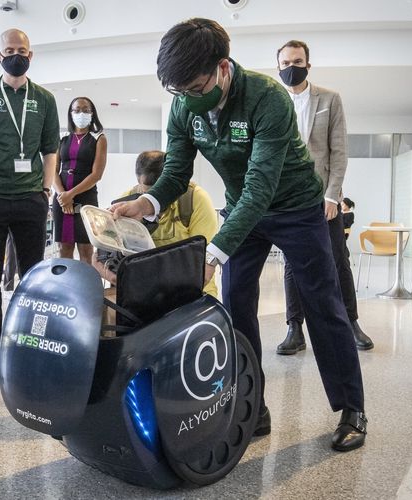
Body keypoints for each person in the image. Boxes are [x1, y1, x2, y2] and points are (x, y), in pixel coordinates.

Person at [113, 18, 367, 452]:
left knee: (323, 303)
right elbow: (176, 172)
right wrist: (147, 203)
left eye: (195, 86)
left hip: (296, 208)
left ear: (223, 67)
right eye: (180, 92)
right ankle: (252, 404)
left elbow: (260, 188)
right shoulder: (183, 106)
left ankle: (351, 409)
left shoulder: (267, 98)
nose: (189, 99)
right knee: (236, 305)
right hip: (244, 209)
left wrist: (214, 252)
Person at [0, 28, 60, 373]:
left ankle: (29, 342)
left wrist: (45, 190)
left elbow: (50, 150)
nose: (15, 54)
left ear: (30, 55)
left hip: (29, 198)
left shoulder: (45, 99)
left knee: (33, 277)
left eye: (21, 49)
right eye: (9, 49)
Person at [276, 40, 373, 354]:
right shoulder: (272, 102)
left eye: (298, 61)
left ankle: (351, 321)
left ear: (308, 64)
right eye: (286, 63)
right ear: (278, 67)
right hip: (287, 199)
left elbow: (339, 153)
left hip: (323, 199)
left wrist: (332, 197)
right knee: (292, 264)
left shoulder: (330, 99)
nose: (292, 67)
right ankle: (294, 328)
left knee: (337, 260)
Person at [115, 150, 219, 297]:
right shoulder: (126, 202)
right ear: (138, 181)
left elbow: (201, 261)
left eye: (162, 190)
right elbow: (107, 255)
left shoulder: (195, 199)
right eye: (149, 192)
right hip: (145, 291)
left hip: (193, 290)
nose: (157, 198)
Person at [52, 96, 107, 264]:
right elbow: (53, 170)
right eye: (76, 110)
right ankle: (65, 287)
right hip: (61, 200)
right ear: (70, 113)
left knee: (86, 248)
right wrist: (63, 196)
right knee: (64, 247)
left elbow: (96, 174)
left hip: (86, 199)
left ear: (92, 113)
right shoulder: (61, 138)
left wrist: (71, 195)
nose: (80, 113)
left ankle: (85, 288)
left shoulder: (99, 138)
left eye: (85, 110)